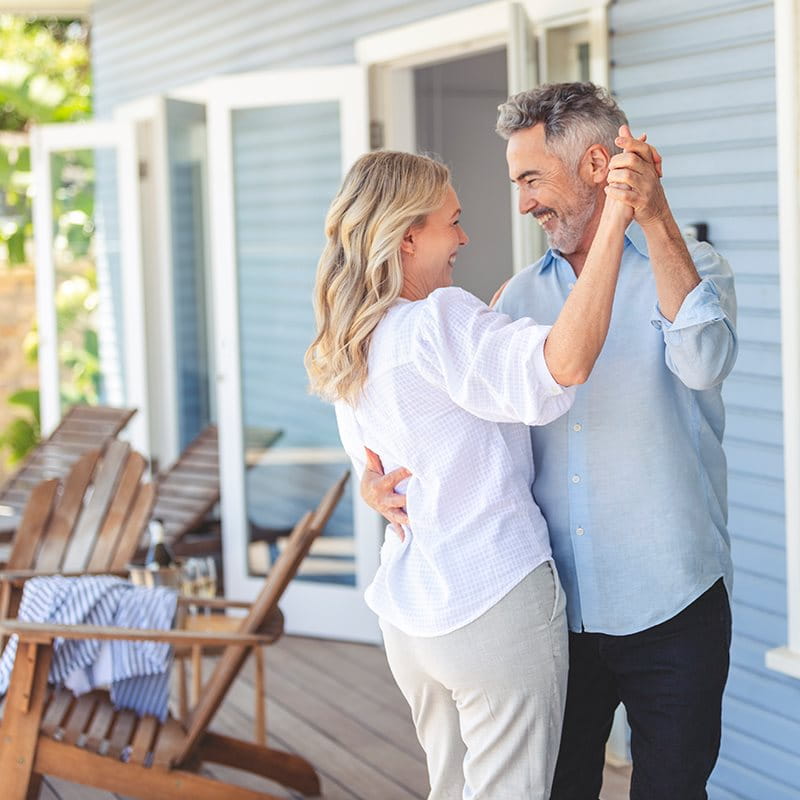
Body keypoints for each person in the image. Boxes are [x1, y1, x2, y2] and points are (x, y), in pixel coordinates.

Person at [361, 83, 737, 800]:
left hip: (673, 603)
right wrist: (376, 480)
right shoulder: (514, 299)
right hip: (554, 611)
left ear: (596, 166)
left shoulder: (691, 267)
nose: (523, 202)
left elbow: (705, 363)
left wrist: (654, 217)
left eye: (532, 179)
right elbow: (457, 429)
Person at [305, 149, 634, 798]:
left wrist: (373, 490)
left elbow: (380, 460)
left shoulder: (352, 339)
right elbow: (560, 367)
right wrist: (616, 220)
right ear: (407, 236)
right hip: (490, 604)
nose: (464, 238)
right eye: (451, 222)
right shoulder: (436, 320)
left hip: (412, 618)